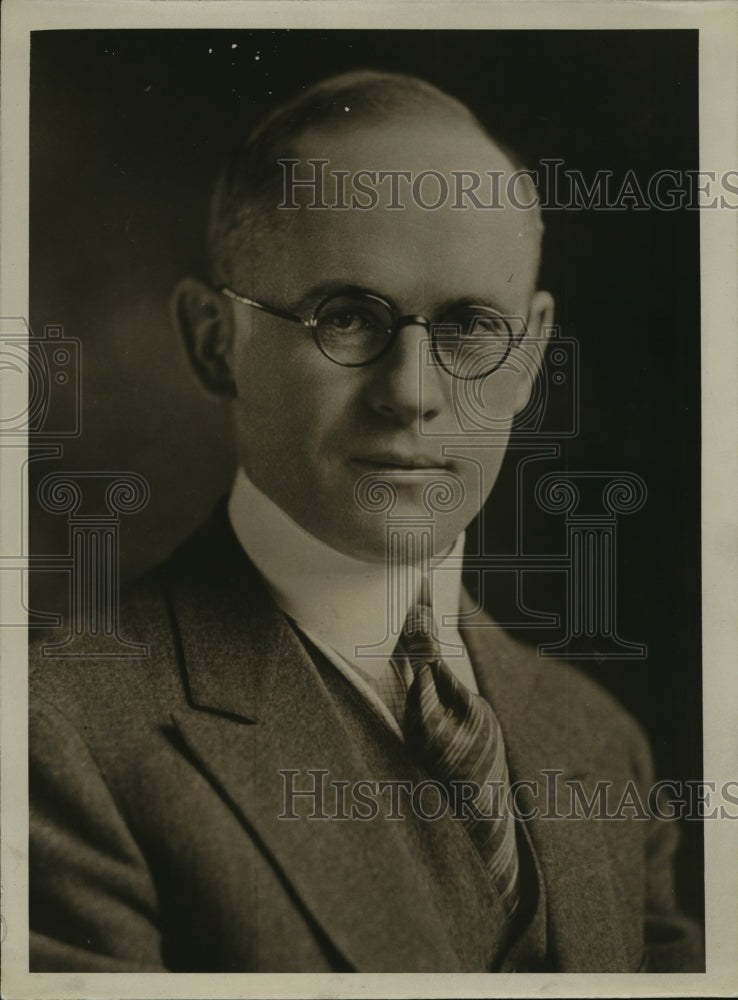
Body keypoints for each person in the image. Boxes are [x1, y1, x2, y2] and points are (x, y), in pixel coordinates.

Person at [29, 70, 704, 973]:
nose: (412, 395)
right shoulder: (53, 734)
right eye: (344, 317)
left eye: (470, 326)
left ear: (532, 354)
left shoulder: (600, 742)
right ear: (212, 340)